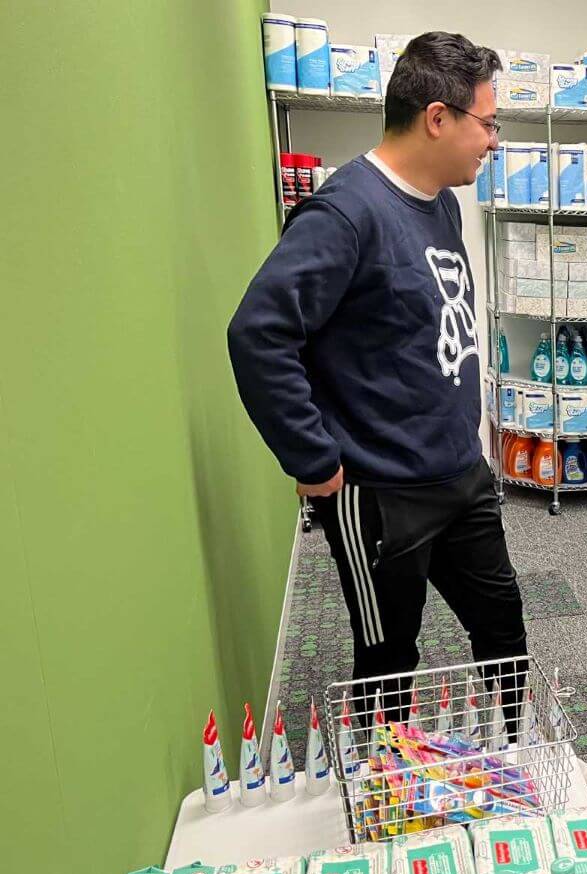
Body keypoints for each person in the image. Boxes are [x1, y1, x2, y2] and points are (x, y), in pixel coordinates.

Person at [228, 34, 531, 746]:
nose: (492, 139)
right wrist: (311, 457)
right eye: (486, 123)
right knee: (389, 655)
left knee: (502, 620)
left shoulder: (440, 202)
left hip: (460, 472)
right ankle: (386, 784)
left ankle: (522, 751)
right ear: (437, 117)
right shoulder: (345, 214)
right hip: (378, 492)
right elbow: (258, 334)